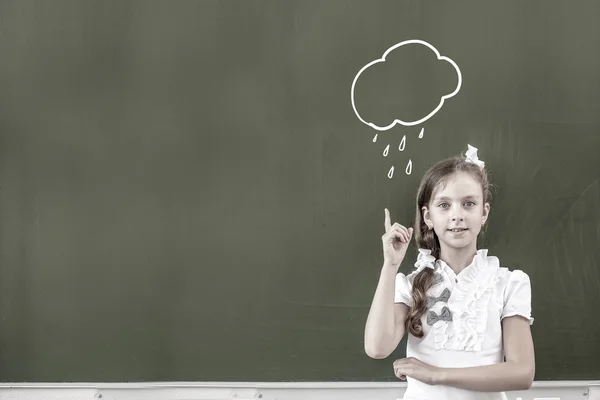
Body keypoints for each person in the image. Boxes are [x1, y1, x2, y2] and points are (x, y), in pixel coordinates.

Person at [364, 145, 535, 400]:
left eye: (468, 204)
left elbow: (522, 373)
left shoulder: (509, 283)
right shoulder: (410, 285)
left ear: (484, 212)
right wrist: (390, 266)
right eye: (444, 205)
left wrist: (437, 375)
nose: (457, 215)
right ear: (428, 216)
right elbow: (377, 348)